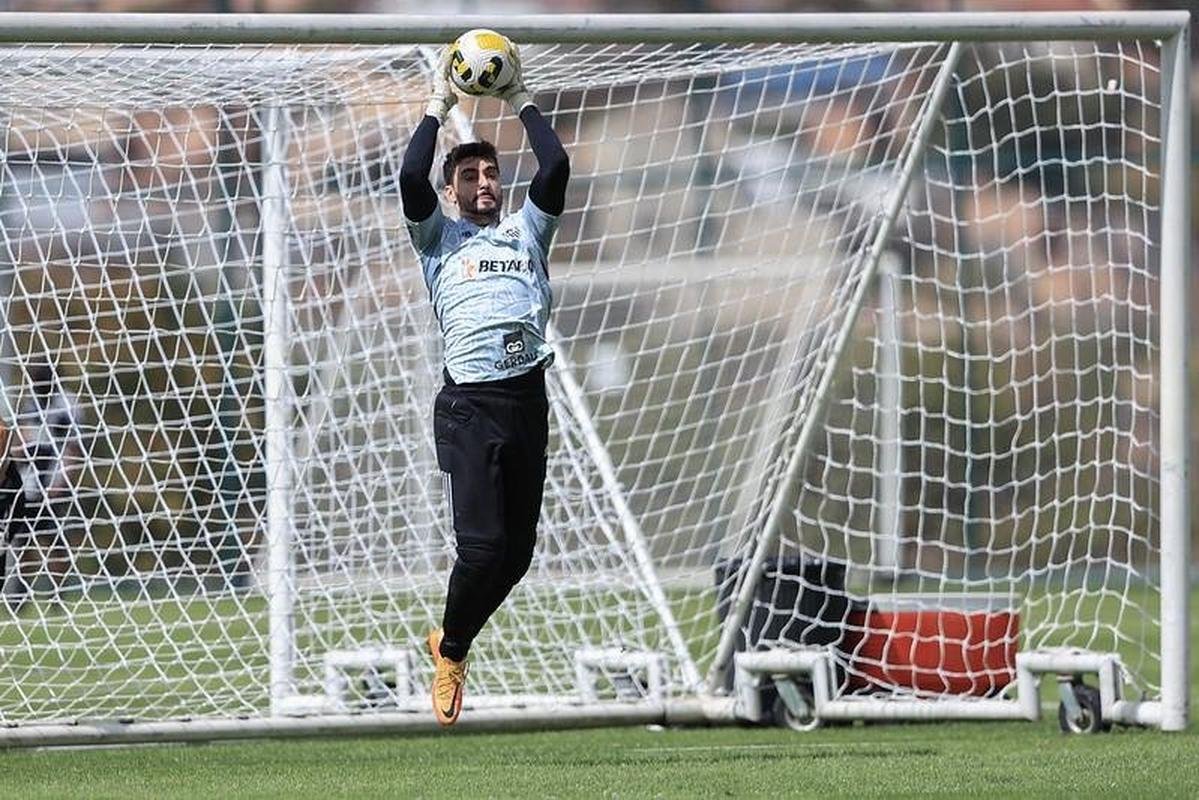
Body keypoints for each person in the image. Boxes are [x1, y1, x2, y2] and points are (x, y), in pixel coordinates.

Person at [400, 43, 569, 726]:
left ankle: (450, 637)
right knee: (483, 549)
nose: (483, 183)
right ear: (451, 192)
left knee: (518, 556)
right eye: (469, 175)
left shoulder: (526, 235)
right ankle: (453, 652)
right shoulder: (438, 241)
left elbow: (554, 165)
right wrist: (439, 106)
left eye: (490, 173)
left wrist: (517, 96)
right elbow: (411, 171)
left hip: (527, 400)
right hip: (469, 406)